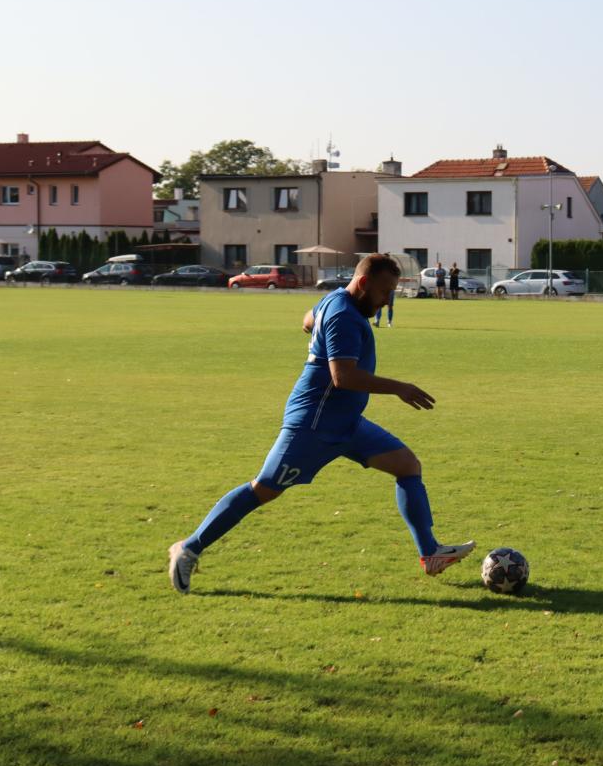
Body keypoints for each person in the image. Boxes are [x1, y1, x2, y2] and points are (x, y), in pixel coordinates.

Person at [167, 253, 474, 594]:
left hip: (347, 423)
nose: (388, 300)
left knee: (407, 465)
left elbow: (307, 320)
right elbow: (344, 377)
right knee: (263, 489)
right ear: (363, 283)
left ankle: (430, 553)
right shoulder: (344, 315)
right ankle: (188, 548)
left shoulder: (336, 300)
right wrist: (399, 388)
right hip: (313, 425)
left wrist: (319, 335)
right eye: (384, 291)